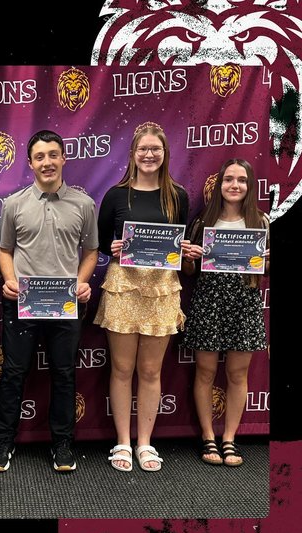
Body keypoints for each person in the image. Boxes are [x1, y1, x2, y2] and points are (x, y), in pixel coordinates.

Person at [0, 130, 99, 473]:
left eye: (53, 155)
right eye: (40, 157)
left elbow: (92, 251)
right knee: (13, 372)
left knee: (64, 374)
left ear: (64, 158)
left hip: (65, 305)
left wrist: (81, 284)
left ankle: (63, 444)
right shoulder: (14, 204)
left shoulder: (84, 204)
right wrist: (9, 280)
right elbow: (4, 250)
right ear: (30, 162)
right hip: (22, 304)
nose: (47, 162)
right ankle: (4, 442)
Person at [94, 121, 191, 473]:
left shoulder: (177, 195)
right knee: (122, 368)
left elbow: (176, 243)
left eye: (156, 149)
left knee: (151, 371)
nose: (149, 155)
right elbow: (102, 243)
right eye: (143, 149)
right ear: (133, 154)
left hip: (162, 288)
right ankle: (122, 440)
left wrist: (184, 250)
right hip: (123, 286)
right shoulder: (116, 195)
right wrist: (113, 248)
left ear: (165, 154)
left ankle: (145, 443)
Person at [182, 158, 269, 467]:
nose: (235, 185)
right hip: (209, 301)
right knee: (205, 372)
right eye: (228, 179)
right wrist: (189, 258)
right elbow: (189, 271)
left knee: (237, 374)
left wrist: (266, 259)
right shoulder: (202, 221)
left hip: (244, 303)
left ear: (249, 185)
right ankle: (208, 436)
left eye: (241, 180)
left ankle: (230, 438)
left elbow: (266, 270)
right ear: (219, 185)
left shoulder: (261, 221)